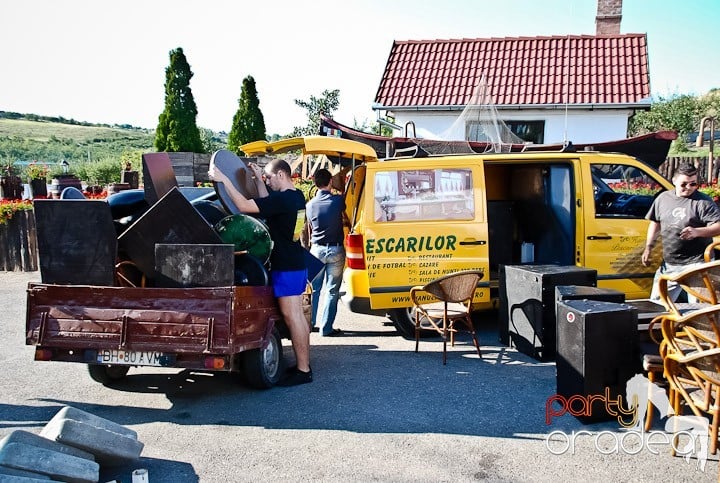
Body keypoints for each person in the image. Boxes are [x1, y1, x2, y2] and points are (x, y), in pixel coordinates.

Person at [209, 158, 312, 386]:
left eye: (269, 177)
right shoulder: (295, 197)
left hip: (286, 266)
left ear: (281, 175)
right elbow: (268, 201)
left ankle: (304, 371)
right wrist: (257, 178)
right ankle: (304, 366)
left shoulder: (284, 200)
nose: (268, 181)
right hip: (295, 263)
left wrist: (224, 180)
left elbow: (245, 207)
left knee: (292, 317)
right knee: (296, 317)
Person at [642, 163, 720, 302]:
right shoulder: (663, 199)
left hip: (697, 264)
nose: (688, 188)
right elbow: (655, 223)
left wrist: (698, 232)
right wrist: (648, 247)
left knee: (698, 311)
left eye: (693, 184)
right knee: (658, 304)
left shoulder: (703, 202)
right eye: (684, 184)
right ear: (674, 181)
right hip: (670, 264)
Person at [305, 168, 348, 336]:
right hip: (335, 249)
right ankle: (326, 328)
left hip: (316, 250)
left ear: (315, 183)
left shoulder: (309, 205)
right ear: (330, 182)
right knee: (332, 290)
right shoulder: (337, 201)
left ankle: (311, 324)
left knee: (315, 289)